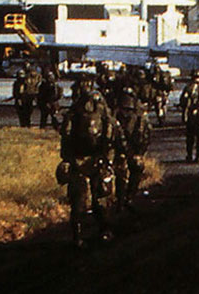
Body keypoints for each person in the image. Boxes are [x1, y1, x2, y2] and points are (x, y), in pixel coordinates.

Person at [58, 87, 118, 247]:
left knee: (81, 200)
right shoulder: (105, 116)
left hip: (82, 161)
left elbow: (65, 138)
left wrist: (68, 160)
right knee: (98, 199)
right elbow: (112, 141)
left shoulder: (73, 115)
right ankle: (103, 231)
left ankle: (79, 236)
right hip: (93, 161)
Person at [113, 87, 151, 210]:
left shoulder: (119, 114)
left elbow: (145, 135)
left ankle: (124, 198)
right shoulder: (139, 115)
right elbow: (146, 135)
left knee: (124, 173)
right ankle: (126, 198)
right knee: (126, 172)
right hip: (128, 150)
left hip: (128, 150)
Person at [178, 70, 199, 162]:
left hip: (191, 115)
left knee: (190, 137)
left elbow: (183, 101)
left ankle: (189, 156)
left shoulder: (188, 87)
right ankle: (198, 156)